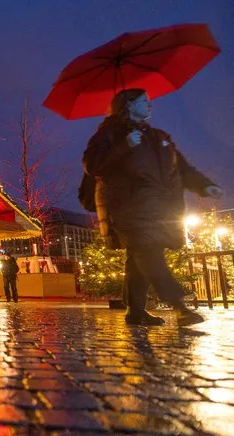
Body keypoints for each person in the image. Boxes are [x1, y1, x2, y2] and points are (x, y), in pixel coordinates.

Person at [83, 88, 224, 327]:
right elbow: (93, 165)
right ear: (128, 105)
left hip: (159, 208)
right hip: (126, 207)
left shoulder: (159, 137)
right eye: (144, 101)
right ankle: (179, 306)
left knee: (139, 256)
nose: (150, 106)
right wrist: (123, 146)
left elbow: (181, 168)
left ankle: (136, 311)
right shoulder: (109, 134)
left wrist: (204, 186)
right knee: (148, 252)